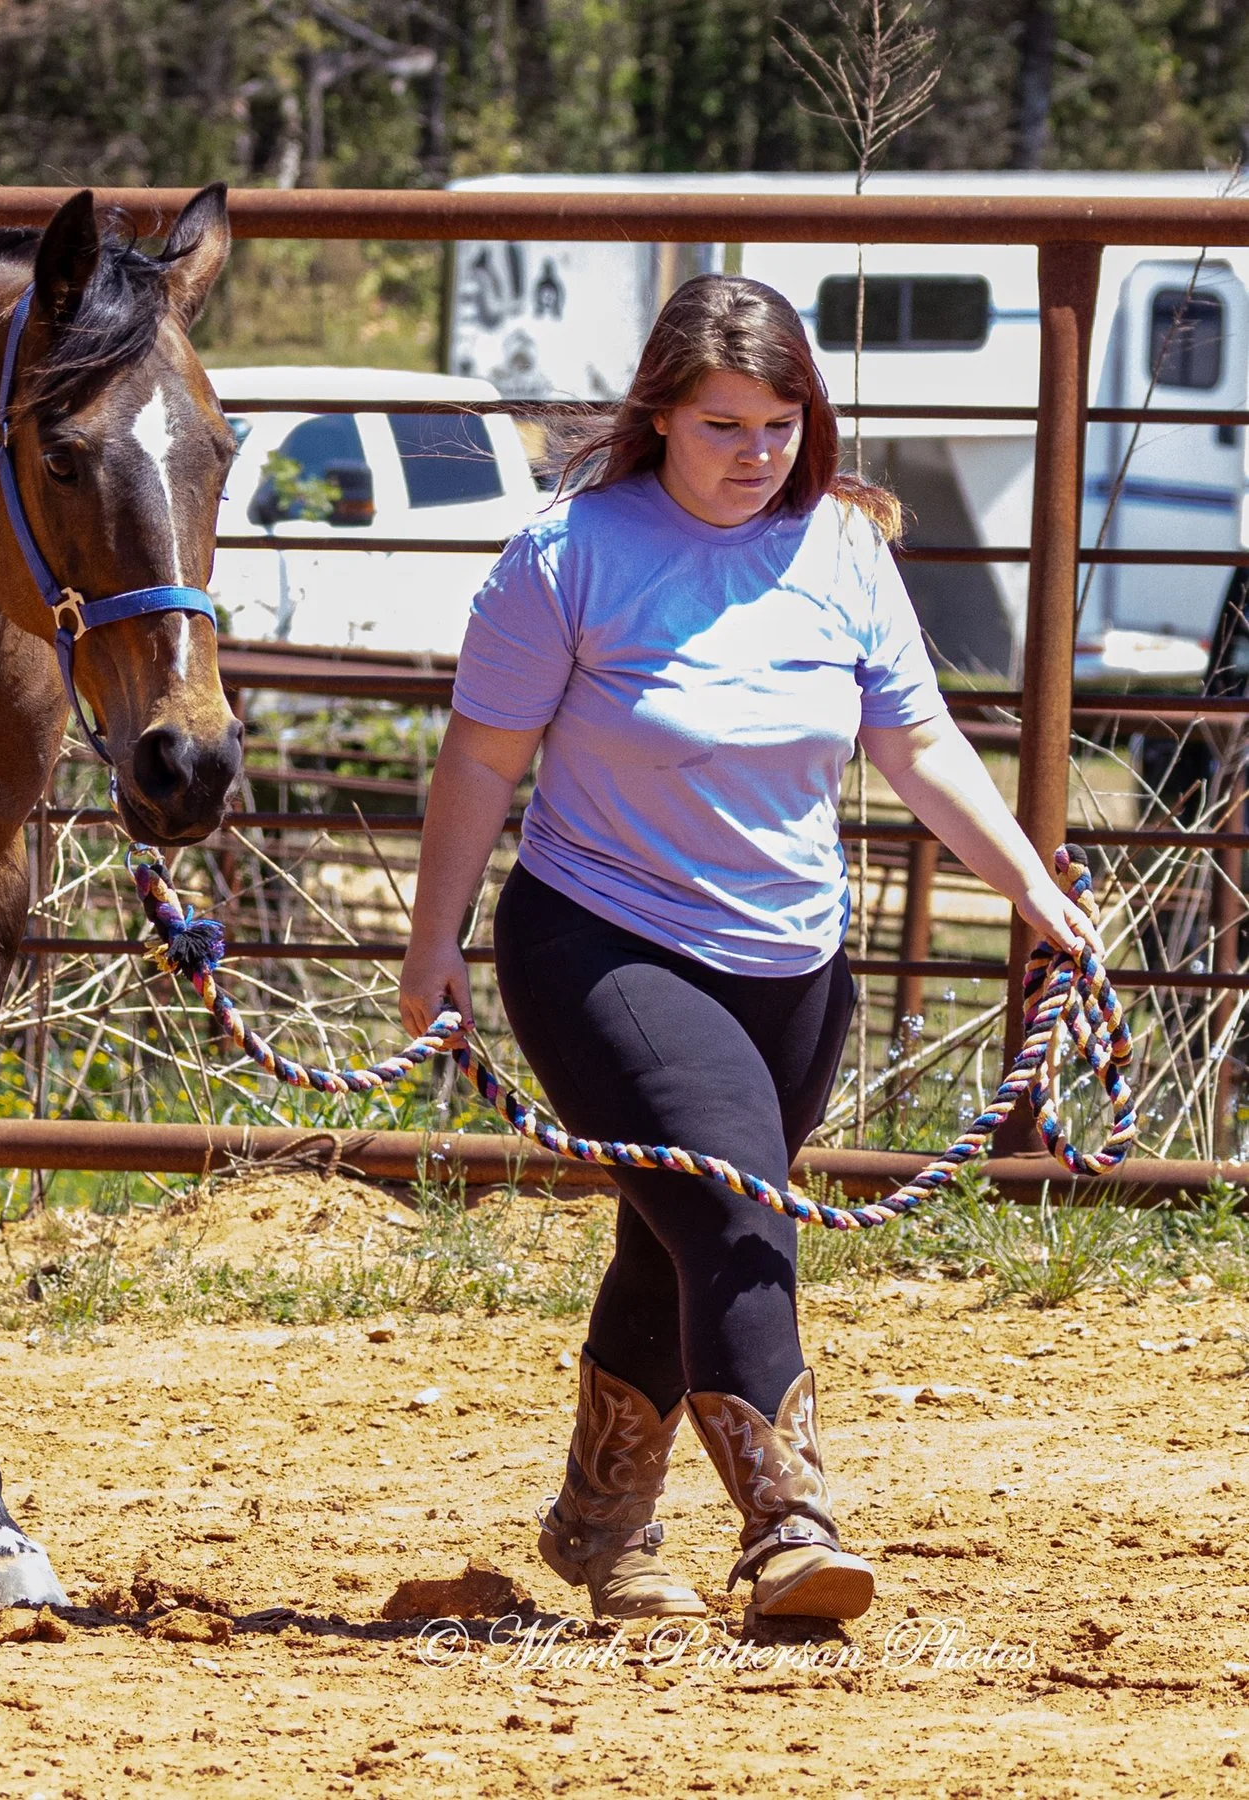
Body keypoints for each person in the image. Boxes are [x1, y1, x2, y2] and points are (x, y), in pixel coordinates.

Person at [397, 275, 1101, 1625]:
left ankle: (603, 1527)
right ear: (660, 414)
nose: (755, 452)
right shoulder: (568, 559)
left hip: (792, 965)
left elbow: (919, 745)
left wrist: (1026, 885)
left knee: (678, 1236)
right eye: (724, 423)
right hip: (602, 941)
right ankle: (789, 1521)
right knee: (736, 1215)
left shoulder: (843, 552)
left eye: (780, 423)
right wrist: (432, 953)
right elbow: (481, 764)